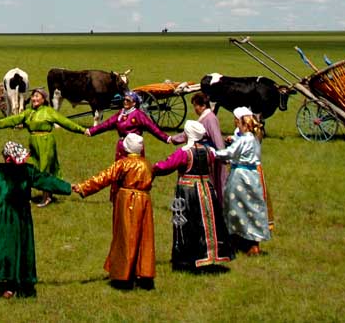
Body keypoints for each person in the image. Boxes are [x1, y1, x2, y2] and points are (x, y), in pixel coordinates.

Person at [0, 141, 72, 300]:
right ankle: (10, 287)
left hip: (0, 215)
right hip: (20, 217)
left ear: (7, 157)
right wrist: (69, 187)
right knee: (16, 248)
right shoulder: (29, 171)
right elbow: (47, 180)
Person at [72, 133, 156, 289]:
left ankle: (123, 275)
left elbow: (104, 177)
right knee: (143, 236)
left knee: (125, 236)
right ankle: (143, 272)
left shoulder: (123, 164)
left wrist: (83, 187)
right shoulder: (147, 164)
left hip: (127, 200)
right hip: (144, 201)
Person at [153, 120, 234, 270]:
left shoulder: (184, 153)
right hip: (207, 191)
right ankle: (208, 255)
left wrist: (152, 169)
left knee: (184, 222)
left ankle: (186, 258)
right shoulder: (208, 151)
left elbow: (167, 165)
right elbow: (219, 159)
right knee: (208, 222)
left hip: (187, 191)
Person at [0, 87, 84, 207]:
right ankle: (29, 194)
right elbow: (13, 119)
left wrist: (83, 130)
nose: (34, 98)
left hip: (46, 143)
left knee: (44, 169)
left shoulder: (48, 111)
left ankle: (46, 197)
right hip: (34, 143)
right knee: (31, 168)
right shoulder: (29, 112)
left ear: (43, 99)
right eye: (33, 96)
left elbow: (66, 122)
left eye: (37, 96)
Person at [213, 107, 272, 255]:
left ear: (243, 124)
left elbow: (229, 153)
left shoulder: (244, 139)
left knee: (234, 207)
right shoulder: (253, 138)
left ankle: (235, 238)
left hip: (240, 176)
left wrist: (213, 152)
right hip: (253, 177)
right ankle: (252, 241)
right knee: (252, 207)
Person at [171, 92, 228, 202]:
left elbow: (217, 138)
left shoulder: (210, 118)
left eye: (195, 106)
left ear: (202, 106)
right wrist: (173, 139)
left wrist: (222, 155)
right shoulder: (205, 117)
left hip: (211, 157)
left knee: (215, 182)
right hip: (203, 155)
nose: (195, 109)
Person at [85, 90, 171, 160]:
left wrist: (166, 138)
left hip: (134, 147)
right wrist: (91, 131)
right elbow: (107, 124)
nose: (125, 102)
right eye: (124, 99)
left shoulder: (138, 114)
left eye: (128, 100)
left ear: (134, 103)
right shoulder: (121, 113)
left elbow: (152, 128)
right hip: (122, 147)